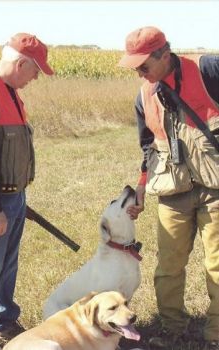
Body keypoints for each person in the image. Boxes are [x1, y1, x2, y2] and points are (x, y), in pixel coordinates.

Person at [118, 26, 219, 349]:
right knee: (168, 266)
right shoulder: (143, 95)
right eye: (134, 67)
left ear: (165, 54)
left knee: (217, 263)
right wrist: (142, 189)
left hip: (216, 188)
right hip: (173, 191)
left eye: (144, 65)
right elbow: (148, 147)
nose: (139, 72)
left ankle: (215, 333)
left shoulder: (209, 70)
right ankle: (173, 328)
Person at [0, 33, 54, 340]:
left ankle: (3, 321)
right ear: (21, 62)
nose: (36, 77)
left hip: (15, 197)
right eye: (35, 70)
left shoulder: (10, 91)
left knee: (6, 266)